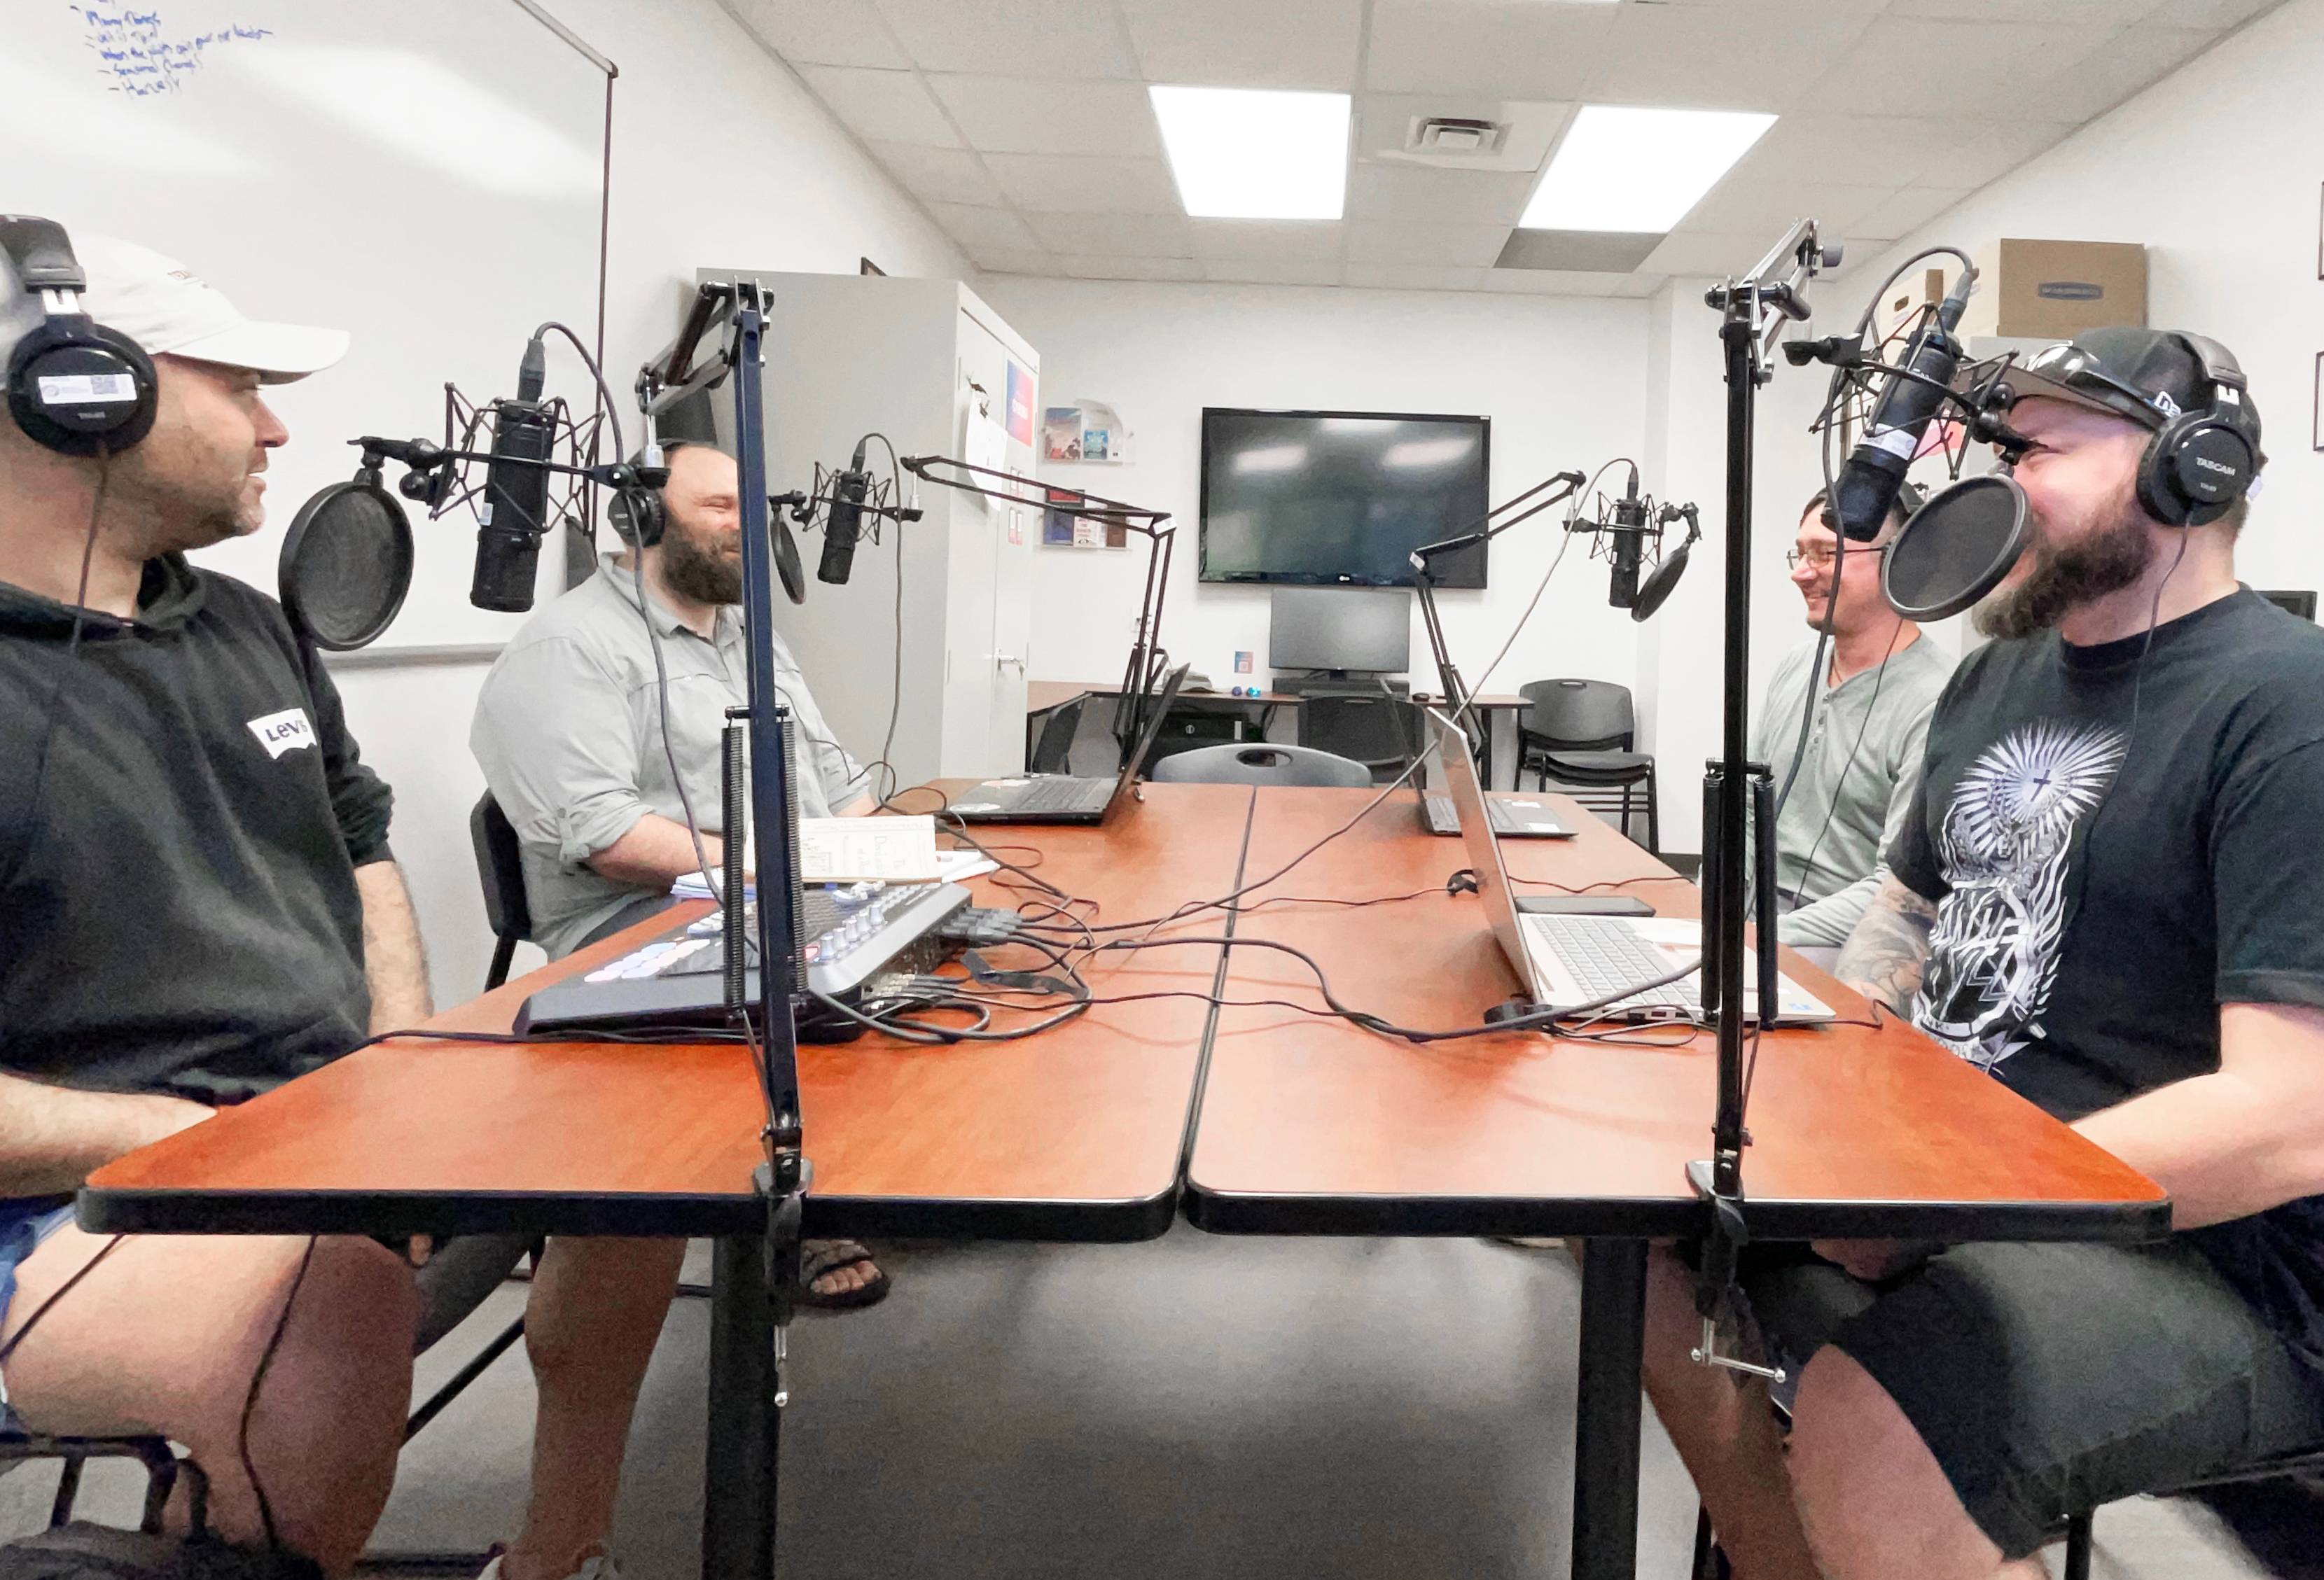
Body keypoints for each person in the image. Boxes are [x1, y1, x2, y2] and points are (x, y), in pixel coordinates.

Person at [0, 229, 676, 1580]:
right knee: (323, 1294)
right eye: (238, 386)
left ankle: (555, 1556)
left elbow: (360, 844)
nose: (274, 424)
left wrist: (395, 1076)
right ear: (77, 390)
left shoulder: (249, 625)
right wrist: (224, 1135)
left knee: (652, 1131)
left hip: (306, 1138)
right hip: (72, 1197)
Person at [1643, 328, 2324, 1580]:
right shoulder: (1995, 679)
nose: (1994, 485)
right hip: (1967, 1179)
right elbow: (1895, 936)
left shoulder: (2288, 710)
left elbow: (2289, 1118)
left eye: (2037, 451)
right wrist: (1774, 1084)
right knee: (1645, 1227)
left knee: (1875, 1421)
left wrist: (1928, 1205)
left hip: (2217, 1259)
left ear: (2193, 470)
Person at [470, 442, 886, 1309]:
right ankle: (796, 1190)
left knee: (932, 948)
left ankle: (867, 1169)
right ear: (643, 518)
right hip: (636, 925)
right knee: (790, 974)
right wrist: (778, 870)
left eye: (754, 506)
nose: (750, 526)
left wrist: (867, 864)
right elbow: (608, 833)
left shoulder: (751, 640)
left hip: (774, 893)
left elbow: (840, 784)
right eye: (721, 508)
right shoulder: (571, 645)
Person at [1753, 486, 1954, 951]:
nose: (1801, 574)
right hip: (1759, 931)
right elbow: (1745, 812)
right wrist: (1713, 922)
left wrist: (1758, 942)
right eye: (1799, 553)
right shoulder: (1794, 667)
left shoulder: (1938, 699)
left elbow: (1898, 885)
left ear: (1898, 561)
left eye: (1825, 554)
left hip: (1852, 944)